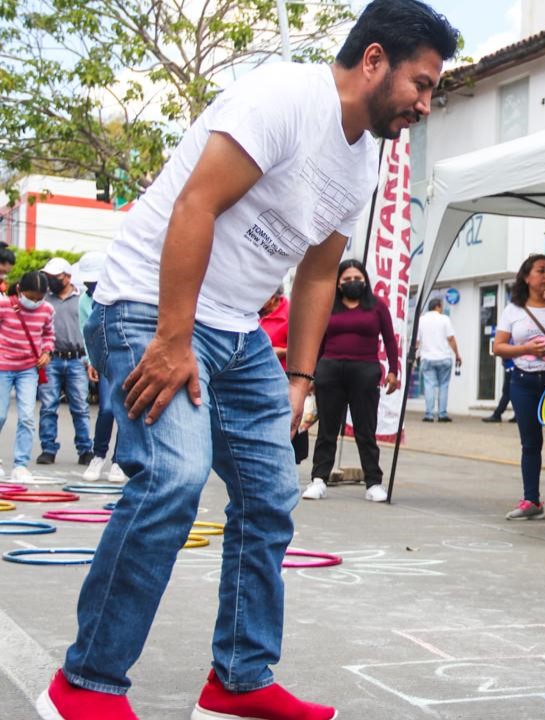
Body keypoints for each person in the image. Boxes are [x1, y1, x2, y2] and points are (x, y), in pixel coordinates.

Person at [36, 2, 457, 718]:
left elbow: (319, 274)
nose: (425, 102)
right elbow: (195, 206)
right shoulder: (285, 98)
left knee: (270, 495)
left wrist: (297, 377)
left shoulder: (363, 163)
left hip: (236, 332)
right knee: (173, 476)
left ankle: (237, 680)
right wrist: (171, 338)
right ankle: (85, 683)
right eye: (421, 83)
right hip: (148, 305)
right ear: (376, 59)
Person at [303, 259, 400, 502]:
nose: (352, 283)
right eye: (346, 279)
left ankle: (374, 482)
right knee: (327, 430)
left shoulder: (377, 307)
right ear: (337, 283)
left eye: (357, 278)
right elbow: (317, 342)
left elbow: (389, 340)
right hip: (330, 371)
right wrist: (311, 373)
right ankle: (318, 480)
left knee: (365, 430)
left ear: (365, 281)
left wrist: (393, 371)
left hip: (365, 372)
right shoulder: (328, 306)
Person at [493, 253, 545, 523]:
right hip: (523, 382)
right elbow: (498, 347)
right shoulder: (513, 309)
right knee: (530, 444)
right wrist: (526, 348)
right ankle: (531, 500)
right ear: (527, 277)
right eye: (541, 271)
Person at [35, 256, 94, 467]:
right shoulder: (44, 299)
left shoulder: (83, 299)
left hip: (77, 359)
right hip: (52, 359)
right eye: (48, 276)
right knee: (48, 407)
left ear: (68, 277)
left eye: (55, 276)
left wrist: (90, 359)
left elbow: (89, 330)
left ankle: (86, 449)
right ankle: (48, 450)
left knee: (80, 407)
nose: (50, 280)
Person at [75, 251, 126, 483]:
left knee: (125, 412)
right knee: (106, 409)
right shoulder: (84, 300)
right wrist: (91, 360)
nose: (91, 285)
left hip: (128, 357)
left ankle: (118, 462)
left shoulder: (121, 291)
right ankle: (98, 456)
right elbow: (87, 333)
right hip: (103, 360)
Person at [0, 271, 54, 484]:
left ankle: (20, 465)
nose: (34, 302)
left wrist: (47, 352)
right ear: (20, 291)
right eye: (30, 297)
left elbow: (49, 334)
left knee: (27, 416)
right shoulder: (5, 306)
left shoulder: (47, 310)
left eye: (39, 298)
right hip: (3, 366)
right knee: (0, 415)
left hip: (28, 370)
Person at [258, 285, 314, 465]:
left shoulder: (290, 313)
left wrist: (281, 351)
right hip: (260, 377)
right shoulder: (257, 313)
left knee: (286, 422)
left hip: (285, 376)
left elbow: (305, 347)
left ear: (274, 296)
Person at [418, 297, 460, 422]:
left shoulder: (421, 320)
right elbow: (451, 339)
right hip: (444, 358)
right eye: (441, 306)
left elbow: (417, 341)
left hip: (427, 358)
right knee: (444, 386)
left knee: (429, 386)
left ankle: (429, 415)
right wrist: (457, 354)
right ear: (438, 306)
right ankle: (442, 414)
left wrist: (414, 356)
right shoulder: (444, 319)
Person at [483, 357, 515, 422]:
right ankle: (517, 415)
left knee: (507, 393)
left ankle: (497, 414)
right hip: (513, 368)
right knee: (513, 393)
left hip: (511, 368)